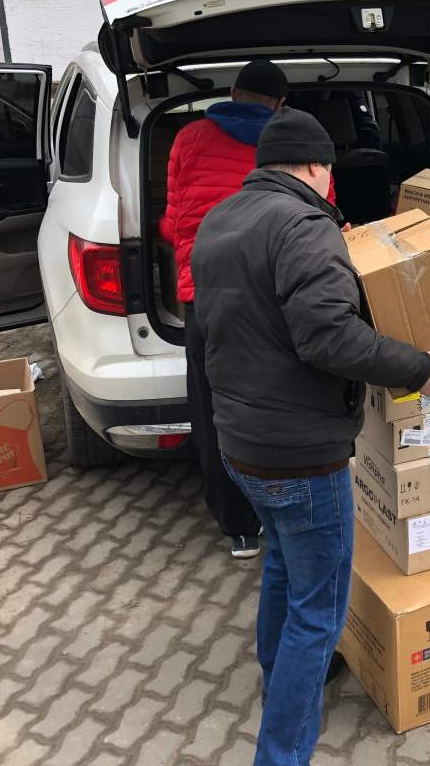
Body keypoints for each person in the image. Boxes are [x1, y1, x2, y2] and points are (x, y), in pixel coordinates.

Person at [191, 107, 430, 766]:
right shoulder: (304, 228)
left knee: (283, 564)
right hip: (301, 457)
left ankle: (276, 673)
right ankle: (281, 754)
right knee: (318, 614)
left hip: (240, 443)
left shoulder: (222, 219)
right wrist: (419, 368)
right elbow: (328, 338)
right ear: (318, 167)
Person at [159, 59, 289, 559]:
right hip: (274, 295)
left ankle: (239, 528)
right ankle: (287, 509)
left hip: (205, 297)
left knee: (213, 407)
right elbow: (320, 213)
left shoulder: (189, 138)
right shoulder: (294, 146)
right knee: (279, 402)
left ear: (233, 93)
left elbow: (172, 221)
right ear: (280, 104)